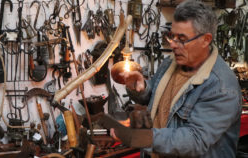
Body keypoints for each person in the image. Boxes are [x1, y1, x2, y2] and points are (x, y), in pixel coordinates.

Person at [98, 0, 242, 158]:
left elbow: (194, 140)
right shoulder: (171, 62)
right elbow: (154, 97)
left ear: (205, 40)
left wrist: (142, 137)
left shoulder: (221, 86)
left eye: (181, 39)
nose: (173, 45)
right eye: (171, 36)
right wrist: (140, 87)